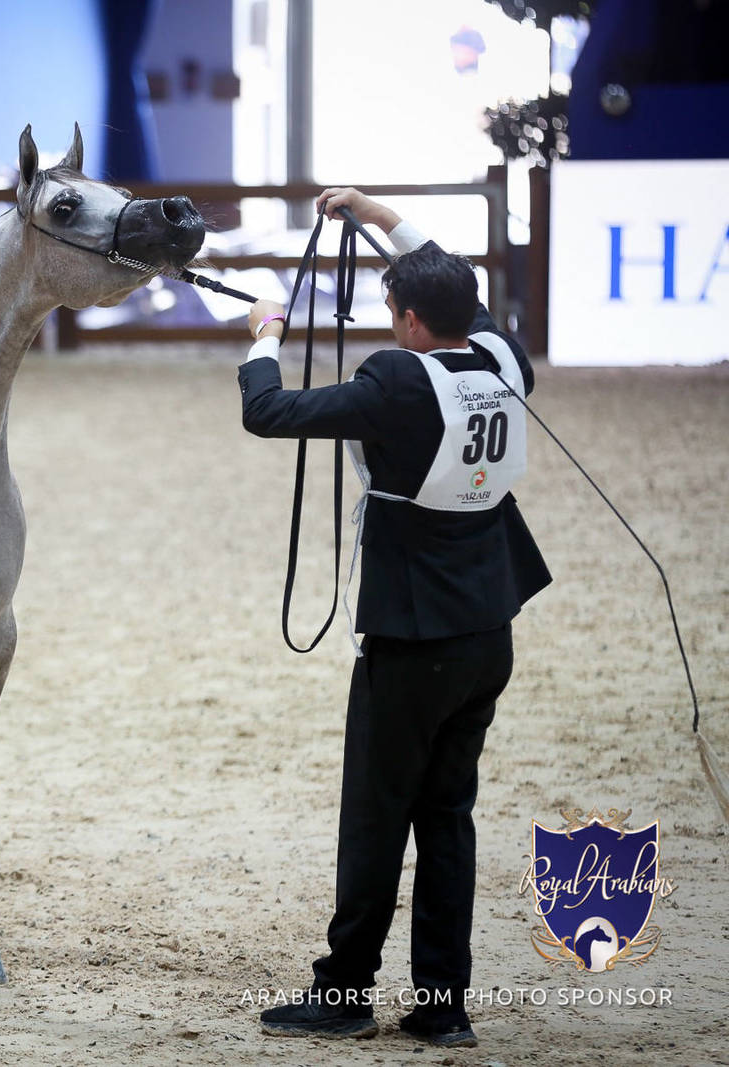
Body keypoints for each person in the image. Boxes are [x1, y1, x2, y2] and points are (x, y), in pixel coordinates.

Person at [237, 189, 551, 1049]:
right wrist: (378, 213)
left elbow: (267, 412)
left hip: (413, 636)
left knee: (376, 816)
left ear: (409, 321)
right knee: (447, 814)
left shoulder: (397, 380)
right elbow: (460, 290)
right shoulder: (503, 353)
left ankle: (344, 993)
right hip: (489, 623)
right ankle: (443, 1003)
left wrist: (267, 334)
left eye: (393, 309)